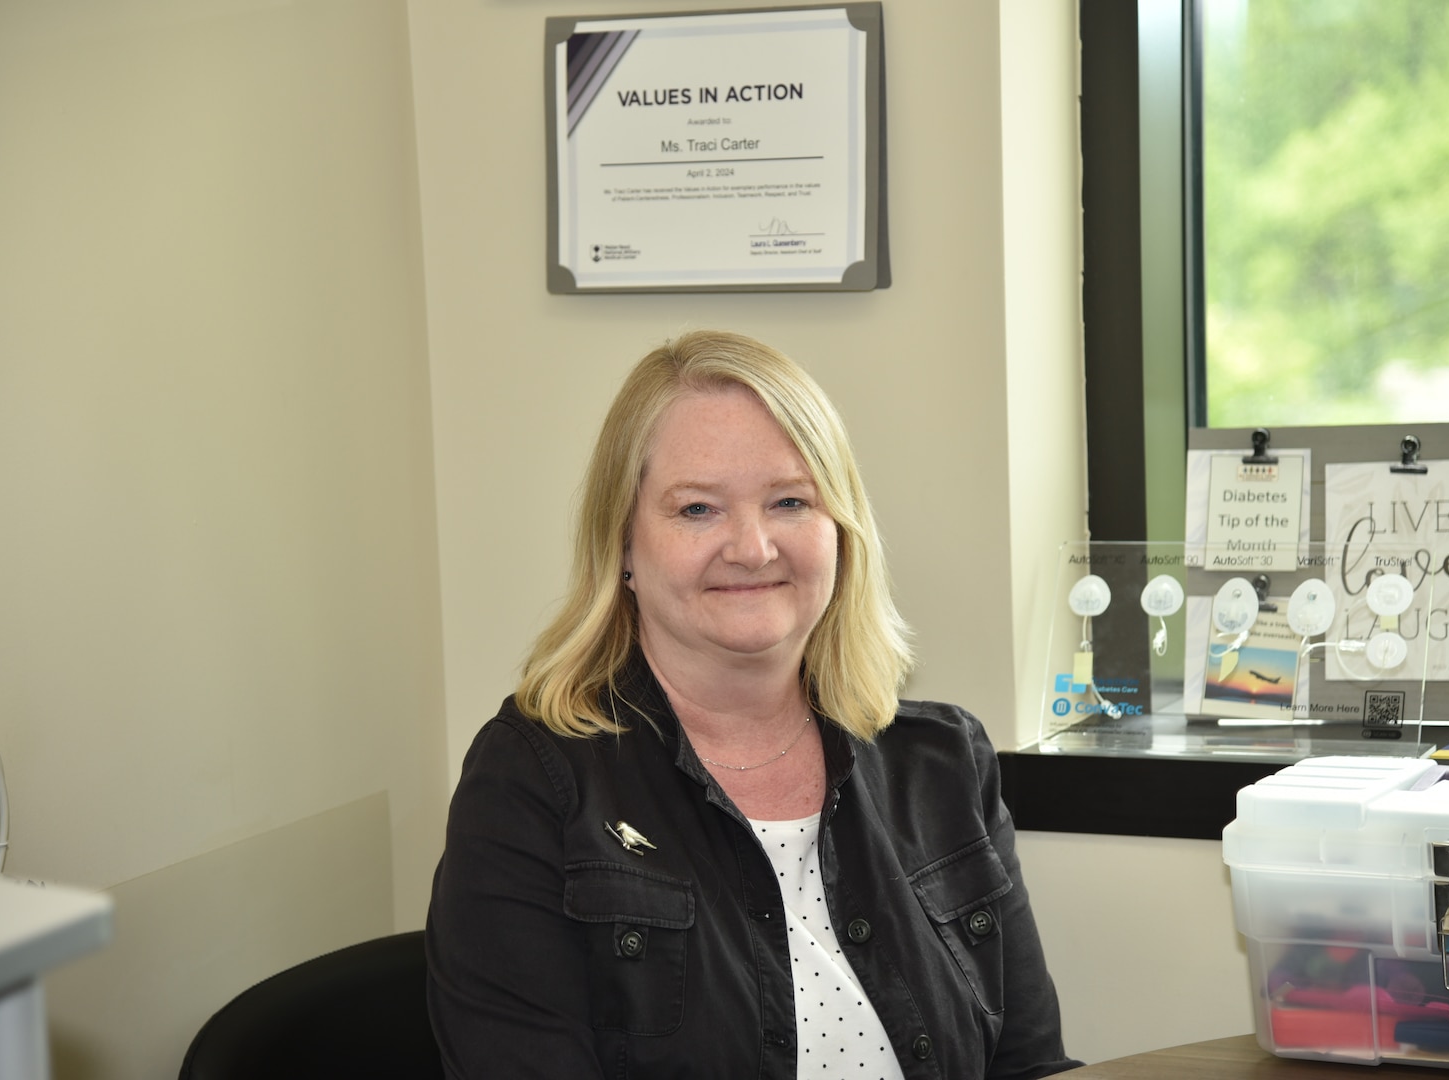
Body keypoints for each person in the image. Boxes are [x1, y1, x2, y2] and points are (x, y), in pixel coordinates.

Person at [426, 330, 1080, 1079]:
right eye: (698, 509)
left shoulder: (942, 765)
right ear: (625, 547)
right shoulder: (532, 782)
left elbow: (1031, 1064)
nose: (753, 546)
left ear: (841, 531)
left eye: (791, 501)